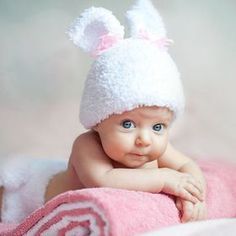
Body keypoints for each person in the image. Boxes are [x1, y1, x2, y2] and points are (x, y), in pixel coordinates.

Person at [0, 0, 207, 224]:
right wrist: (165, 179)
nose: (145, 139)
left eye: (158, 127)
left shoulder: (156, 148)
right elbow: (103, 180)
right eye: (127, 124)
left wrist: (193, 196)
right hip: (32, 191)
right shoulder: (87, 145)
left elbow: (188, 167)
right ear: (98, 120)